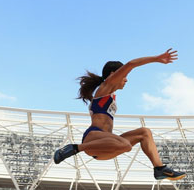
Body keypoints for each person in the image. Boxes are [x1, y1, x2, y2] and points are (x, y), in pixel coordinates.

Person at [53, 48, 186, 181]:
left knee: (145, 132)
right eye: (124, 76)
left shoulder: (110, 93)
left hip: (105, 145)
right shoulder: (105, 87)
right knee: (126, 145)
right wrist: (156, 59)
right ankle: (74, 148)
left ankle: (159, 169)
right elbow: (131, 64)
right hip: (93, 137)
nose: (126, 80)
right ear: (113, 74)